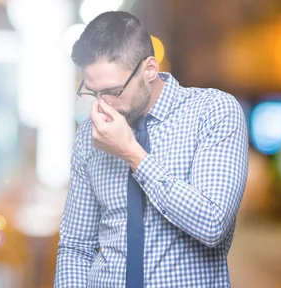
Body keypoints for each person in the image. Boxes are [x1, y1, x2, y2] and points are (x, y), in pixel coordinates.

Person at [55, 11, 249, 287]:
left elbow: (212, 224)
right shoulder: (91, 133)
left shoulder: (213, 112)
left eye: (113, 91)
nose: (103, 105)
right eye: (93, 92)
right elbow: (75, 246)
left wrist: (131, 152)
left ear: (149, 69)